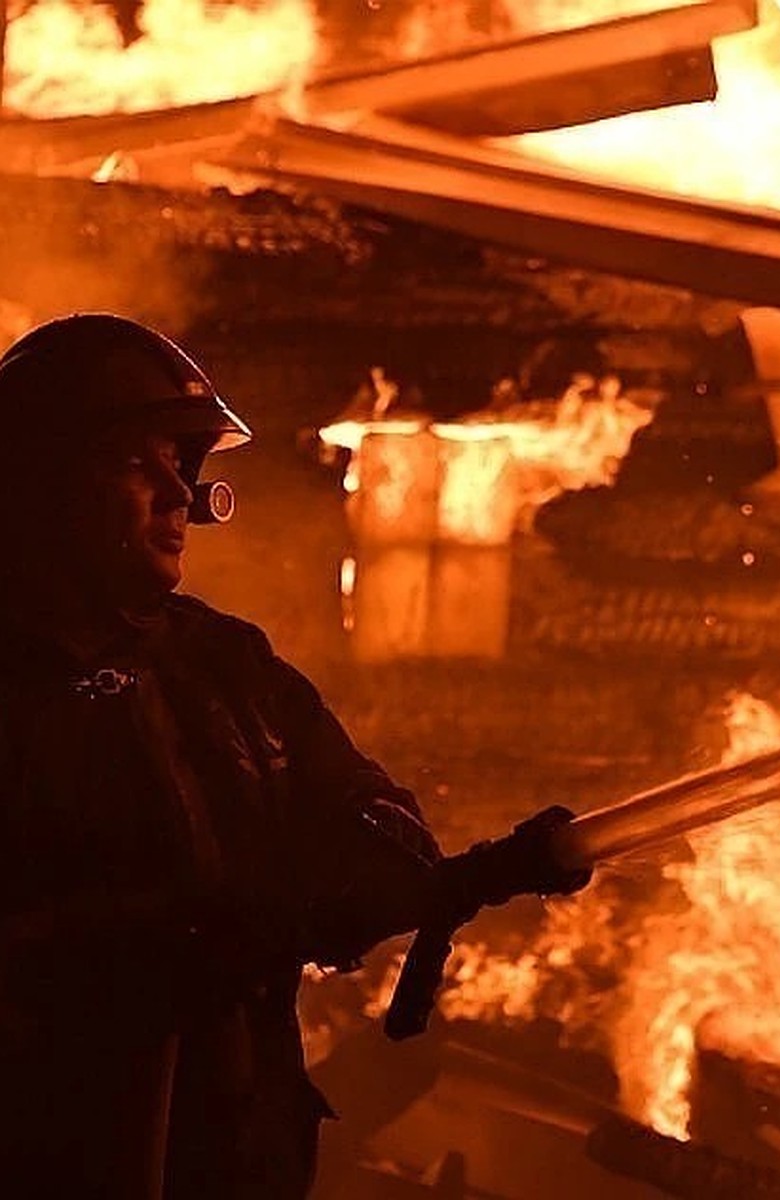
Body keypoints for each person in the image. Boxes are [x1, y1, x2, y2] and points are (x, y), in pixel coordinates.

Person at [0, 314, 584, 1199]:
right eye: (135, 461)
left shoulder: (225, 666)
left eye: (183, 463)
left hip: (236, 1157)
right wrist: (209, 928)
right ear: (42, 484)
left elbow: (364, 806)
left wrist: (382, 867)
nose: (176, 493)